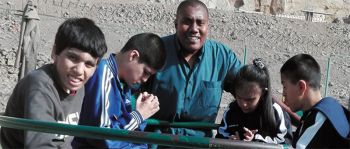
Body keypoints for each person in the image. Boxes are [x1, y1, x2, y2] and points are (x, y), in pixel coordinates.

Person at [0, 18, 107, 149]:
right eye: (73, 58)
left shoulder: (78, 88)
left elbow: (63, 142)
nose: (79, 71)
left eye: (89, 64)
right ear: (54, 52)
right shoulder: (40, 86)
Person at [144, 0, 242, 137]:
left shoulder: (222, 57)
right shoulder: (156, 50)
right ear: (175, 24)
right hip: (157, 141)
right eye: (187, 22)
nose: (194, 29)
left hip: (200, 143)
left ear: (207, 26)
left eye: (200, 23)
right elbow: (130, 91)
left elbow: (249, 89)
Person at [72, 33, 166, 149]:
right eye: (146, 72)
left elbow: (129, 135)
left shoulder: (124, 83)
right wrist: (138, 115)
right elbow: (102, 137)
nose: (145, 80)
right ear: (133, 56)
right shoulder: (103, 73)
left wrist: (140, 113)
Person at [216, 58, 292, 145]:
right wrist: (229, 141)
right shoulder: (231, 111)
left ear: (263, 93)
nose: (244, 104)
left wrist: (256, 141)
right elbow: (220, 136)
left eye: (250, 99)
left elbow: (286, 142)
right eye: (239, 97)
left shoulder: (276, 112)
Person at [280, 54, 350, 148]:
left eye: (285, 87)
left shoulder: (319, 119)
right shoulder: (330, 107)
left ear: (301, 87)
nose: (283, 93)